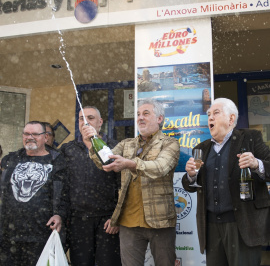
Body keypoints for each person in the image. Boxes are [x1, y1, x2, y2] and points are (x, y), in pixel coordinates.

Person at [82, 98, 180, 266]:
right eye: (138, 114)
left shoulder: (170, 143)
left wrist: (130, 164)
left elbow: (160, 167)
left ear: (159, 118)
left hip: (160, 222)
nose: (140, 118)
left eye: (146, 113)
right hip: (128, 223)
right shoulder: (127, 144)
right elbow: (105, 161)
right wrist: (93, 142)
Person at [182, 98, 270, 266]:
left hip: (243, 224)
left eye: (216, 113)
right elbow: (191, 185)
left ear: (231, 119)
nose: (210, 118)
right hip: (211, 226)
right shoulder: (201, 149)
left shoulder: (250, 138)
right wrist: (191, 175)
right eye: (208, 115)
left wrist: (256, 163)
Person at [0, 121, 69, 266]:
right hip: (9, 234)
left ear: (45, 137)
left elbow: (65, 195)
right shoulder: (10, 160)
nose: (30, 137)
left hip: (41, 234)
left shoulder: (57, 162)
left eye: (35, 134)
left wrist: (59, 214)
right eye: (26, 133)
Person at [60, 106, 121, 266]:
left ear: (100, 122)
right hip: (78, 221)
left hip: (107, 221)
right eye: (81, 118)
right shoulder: (68, 149)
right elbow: (62, 187)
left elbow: (124, 184)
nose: (85, 122)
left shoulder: (115, 147)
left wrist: (117, 217)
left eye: (91, 118)